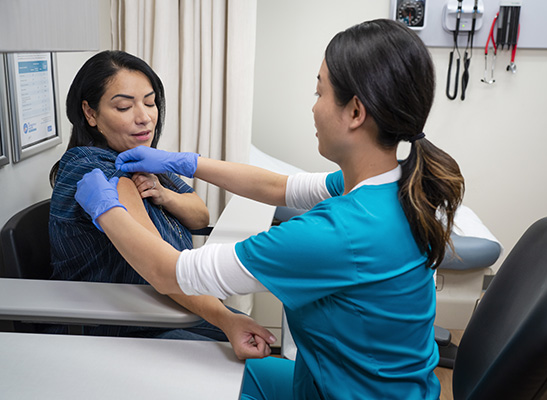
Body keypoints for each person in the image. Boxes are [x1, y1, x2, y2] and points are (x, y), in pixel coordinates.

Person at [75, 19, 464, 399]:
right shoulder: (395, 186)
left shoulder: (336, 233)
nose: (313, 108)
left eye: (320, 93)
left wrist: (105, 207)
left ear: (356, 112)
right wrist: (187, 162)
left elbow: (169, 272)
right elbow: (279, 186)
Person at [48, 50, 274, 360]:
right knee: (249, 360)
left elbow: (200, 215)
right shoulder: (98, 171)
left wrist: (163, 194)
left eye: (150, 102)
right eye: (124, 106)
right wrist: (226, 318)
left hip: (166, 303)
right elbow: (162, 269)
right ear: (90, 113)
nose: (144, 117)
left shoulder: (140, 158)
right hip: (121, 324)